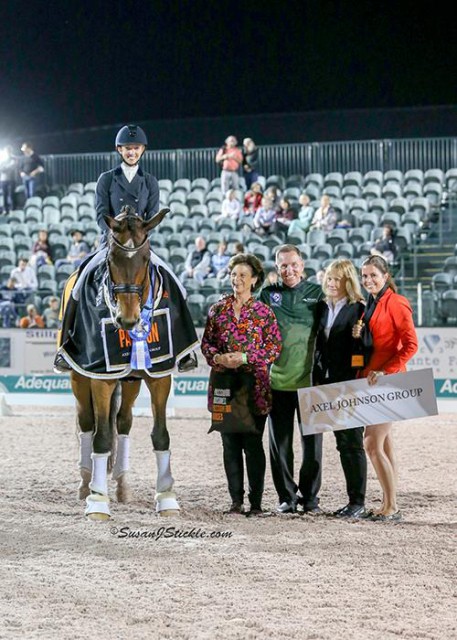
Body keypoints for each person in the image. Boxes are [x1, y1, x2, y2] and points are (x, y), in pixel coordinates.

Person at [55, 124, 198, 373]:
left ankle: (185, 351)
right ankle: (65, 349)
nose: (131, 152)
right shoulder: (107, 179)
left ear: (142, 150)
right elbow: (101, 214)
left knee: (178, 284)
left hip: (139, 246)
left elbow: (151, 214)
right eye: (127, 148)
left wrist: (138, 237)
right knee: (76, 286)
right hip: (112, 244)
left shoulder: (150, 181)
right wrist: (116, 233)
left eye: (135, 148)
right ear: (119, 150)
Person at [201, 253, 282, 516]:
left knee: (253, 444)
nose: (237, 279)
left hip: (254, 387)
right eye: (234, 274)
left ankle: (256, 503)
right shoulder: (217, 309)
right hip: (223, 383)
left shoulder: (264, 313)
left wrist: (246, 357)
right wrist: (217, 356)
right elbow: (207, 343)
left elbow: (274, 348)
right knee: (229, 444)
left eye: (243, 275)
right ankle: (235, 501)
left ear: (254, 279)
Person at [259, 245, 325, 514]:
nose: (289, 270)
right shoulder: (268, 295)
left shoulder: (317, 294)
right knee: (280, 446)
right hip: (278, 382)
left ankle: (310, 499)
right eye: (283, 266)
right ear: (277, 268)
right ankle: (286, 497)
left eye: (293, 264)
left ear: (302, 264)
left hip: (311, 383)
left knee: (313, 447)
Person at [353, 255, 418, 521]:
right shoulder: (368, 304)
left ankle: (391, 507)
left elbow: (411, 344)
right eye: (365, 276)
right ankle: (389, 503)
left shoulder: (397, 302)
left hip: (388, 382)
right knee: (385, 444)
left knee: (371, 443)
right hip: (371, 381)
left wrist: (387, 370)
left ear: (385, 275)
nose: (368, 280)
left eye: (373, 276)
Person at [313, 259, 369, 519]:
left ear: (348, 281)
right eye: (329, 279)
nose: (332, 283)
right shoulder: (323, 307)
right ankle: (352, 502)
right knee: (341, 442)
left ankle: (357, 501)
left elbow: (366, 347)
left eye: (337, 279)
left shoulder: (359, 308)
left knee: (352, 443)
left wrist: (361, 336)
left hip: (349, 384)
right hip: (327, 382)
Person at [0, 145, 17, 214]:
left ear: (10, 151)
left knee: (12, 195)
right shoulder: (2, 158)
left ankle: (12, 209)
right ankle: (5, 209)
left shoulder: (14, 158)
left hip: (11, 179)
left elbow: (12, 167)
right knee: (4, 195)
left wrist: (4, 167)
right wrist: (5, 167)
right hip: (3, 179)